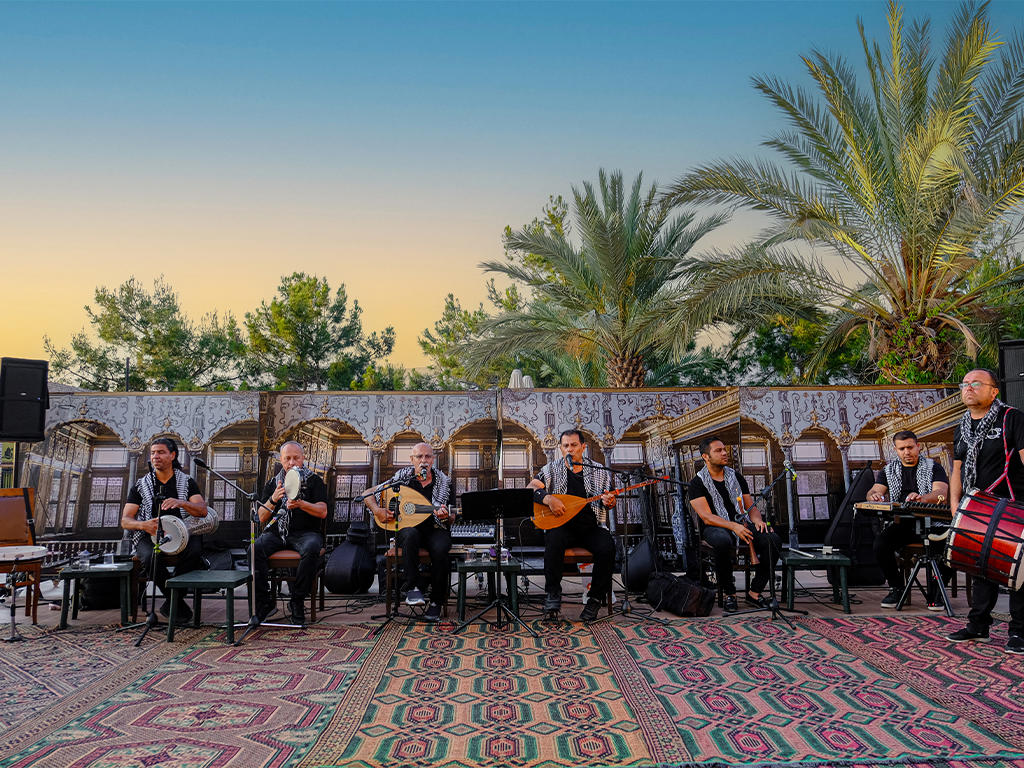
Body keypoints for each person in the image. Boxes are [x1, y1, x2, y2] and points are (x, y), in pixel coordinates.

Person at [946, 369, 1024, 654]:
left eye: (976, 383)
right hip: (976, 509)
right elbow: (956, 470)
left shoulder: (1012, 418)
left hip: (1013, 507)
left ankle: (1019, 632)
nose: (968, 387)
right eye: (965, 383)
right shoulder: (962, 427)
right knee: (979, 568)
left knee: (1017, 571)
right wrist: (955, 505)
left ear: (994, 391)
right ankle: (978, 626)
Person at [527, 429, 616, 623]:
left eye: (574, 445)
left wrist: (609, 501)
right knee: (553, 540)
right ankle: (553, 594)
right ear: (560, 448)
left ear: (583, 447)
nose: (570, 449)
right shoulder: (551, 468)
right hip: (562, 526)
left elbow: (608, 498)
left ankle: (595, 599)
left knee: (607, 546)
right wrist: (549, 499)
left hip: (590, 527)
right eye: (565, 445)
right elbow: (531, 488)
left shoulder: (599, 470)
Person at [688, 436, 781, 612]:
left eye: (724, 449)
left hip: (742, 521)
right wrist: (733, 526)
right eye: (718, 451)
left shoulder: (736, 477)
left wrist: (757, 520)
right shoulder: (697, 483)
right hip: (715, 526)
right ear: (705, 457)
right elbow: (707, 517)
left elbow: (750, 507)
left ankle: (754, 592)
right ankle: (729, 594)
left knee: (772, 539)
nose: (724, 453)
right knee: (722, 541)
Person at [121, 437, 208, 624]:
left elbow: (202, 511)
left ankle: (172, 601)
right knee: (150, 556)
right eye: (153, 453)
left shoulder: (187, 482)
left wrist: (181, 502)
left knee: (195, 551)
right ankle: (175, 601)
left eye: (161, 452)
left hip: (183, 533)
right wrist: (144, 525)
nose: (155, 456)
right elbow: (125, 520)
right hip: (149, 534)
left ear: (172, 455)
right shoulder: (141, 485)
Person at [365, 442, 453, 622]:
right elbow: (367, 494)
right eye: (419, 456)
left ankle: (436, 601)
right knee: (410, 535)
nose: (424, 460)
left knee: (441, 548)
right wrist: (377, 510)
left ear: (433, 459)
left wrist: (447, 516)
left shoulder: (444, 483)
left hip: (435, 529)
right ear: (412, 460)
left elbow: (452, 516)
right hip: (407, 530)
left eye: (428, 456)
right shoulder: (402, 479)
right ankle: (413, 587)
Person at [866, 430, 950, 610]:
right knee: (880, 545)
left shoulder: (934, 467)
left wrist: (922, 498)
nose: (907, 452)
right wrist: (874, 495)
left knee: (950, 547)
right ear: (895, 450)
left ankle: (937, 591)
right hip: (904, 524)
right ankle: (897, 588)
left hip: (933, 523)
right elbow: (874, 490)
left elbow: (941, 494)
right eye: (902, 448)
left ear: (918, 447)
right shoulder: (888, 470)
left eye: (910, 447)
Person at [253, 441, 328, 625]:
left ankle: (297, 600)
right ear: (281, 460)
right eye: (287, 458)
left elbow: (323, 511)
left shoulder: (314, 481)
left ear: (303, 458)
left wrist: (301, 504)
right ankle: (264, 603)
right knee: (254, 550)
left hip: (306, 533)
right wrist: (273, 499)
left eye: (296, 458)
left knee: (311, 548)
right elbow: (261, 517)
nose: (292, 462)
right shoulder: (273, 483)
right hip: (277, 533)